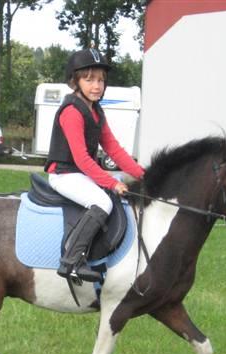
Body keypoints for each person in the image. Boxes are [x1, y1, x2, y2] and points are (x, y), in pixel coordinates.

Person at [45, 48, 145, 283]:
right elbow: (81, 159)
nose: (96, 85)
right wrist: (110, 182)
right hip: (64, 174)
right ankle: (71, 260)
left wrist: (142, 175)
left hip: (80, 174)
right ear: (75, 81)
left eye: (100, 80)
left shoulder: (96, 111)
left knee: (118, 191)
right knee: (102, 201)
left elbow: (114, 149)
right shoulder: (72, 112)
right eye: (89, 79)